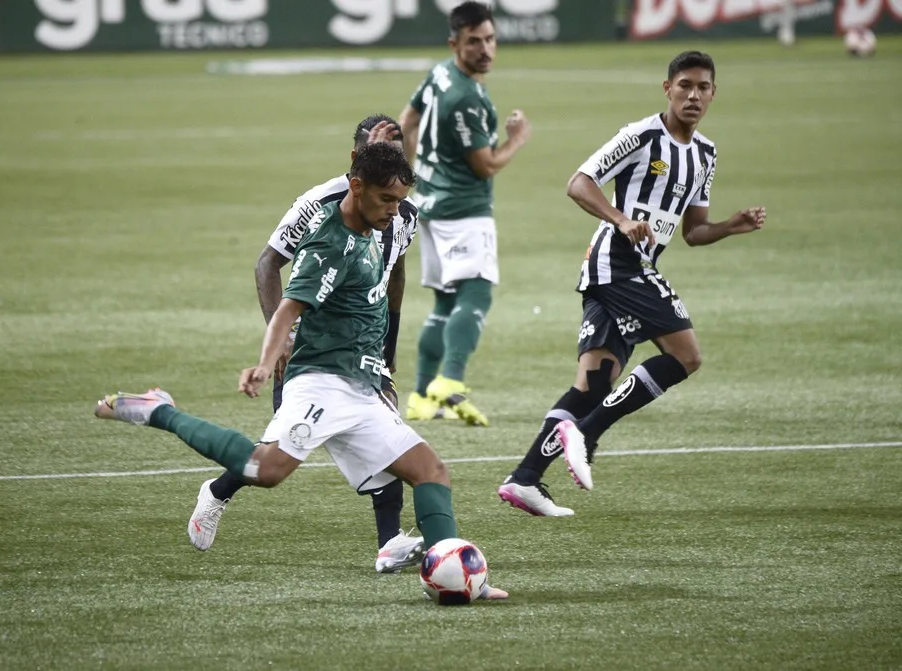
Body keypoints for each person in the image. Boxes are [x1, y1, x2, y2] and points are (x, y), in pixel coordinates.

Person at [95, 142, 508, 599]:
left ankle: (458, 575)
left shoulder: (373, 229)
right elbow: (288, 309)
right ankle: (160, 410)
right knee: (266, 470)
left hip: (361, 387)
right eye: (386, 199)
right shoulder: (329, 245)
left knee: (430, 471)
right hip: (322, 383)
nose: (395, 210)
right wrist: (265, 363)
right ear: (356, 185)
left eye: (398, 200)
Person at [498, 50, 767, 515]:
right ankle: (587, 432)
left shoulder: (705, 154)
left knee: (593, 384)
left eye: (703, 88)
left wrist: (729, 226)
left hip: (628, 268)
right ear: (668, 88)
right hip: (617, 263)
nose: (693, 95)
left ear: (713, 94)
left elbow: (693, 231)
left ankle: (524, 479)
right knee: (687, 355)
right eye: (684, 85)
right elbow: (579, 182)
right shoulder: (641, 135)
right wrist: (620, 218)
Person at [189, 114, 426, 573]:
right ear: (356, 160)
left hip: (364, 354)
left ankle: (390, 541)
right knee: (275, 457)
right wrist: (281, 343)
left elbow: (394, 273)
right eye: (378, 150)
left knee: (391, 443)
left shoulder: (403, 212)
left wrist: (388, 350)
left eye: (397, 152)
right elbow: (267, 265)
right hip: (312, 354)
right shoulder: (319, 205)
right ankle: (218, 491)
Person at [398, 1, 531, 427]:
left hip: (430, 206)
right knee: (477, 293)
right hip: (464, 209)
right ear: (455, 42)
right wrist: (516, 140)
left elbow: (408, 121)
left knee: (445, 301)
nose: (485, 49)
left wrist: (412, 174)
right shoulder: (467, 98)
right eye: (475, 42)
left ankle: (421, 396)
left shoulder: (440, 73)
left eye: (490, 39)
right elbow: (485, 164)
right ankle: (450, 381)